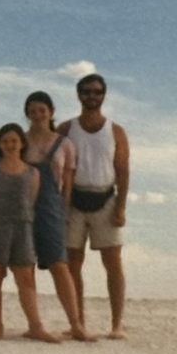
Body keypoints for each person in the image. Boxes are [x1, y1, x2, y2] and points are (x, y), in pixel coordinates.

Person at [57, 74, 130, 339]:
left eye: (97, 92)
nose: (92, 96)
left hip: (105, 200)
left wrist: (120, 206)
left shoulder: (115, 131)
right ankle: (78, 322)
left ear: (104, 95)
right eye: (86, 91)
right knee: (72, 262)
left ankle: (117, 323)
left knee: (113, 262)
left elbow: (122, 170)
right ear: (79, 95)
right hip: (74, 201)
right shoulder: (66, 129)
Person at [23, 91, 97, 342]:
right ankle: (35, 325)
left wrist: (64, 213)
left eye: (42, 110)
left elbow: (67, 184)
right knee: (25, 267)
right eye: (32, 111)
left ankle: (76, 324)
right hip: (22, 208)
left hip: (51, 207)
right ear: (27, 114)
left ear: (51, 112)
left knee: (59, 265)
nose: (37, 115)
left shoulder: (65, 144)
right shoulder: (19, 141)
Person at [0, 123, 60, 344]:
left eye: (14, 141)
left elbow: (31, 201)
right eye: (5, 141)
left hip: (23, 228)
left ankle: (36, 327)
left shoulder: (32, 172)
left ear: (22, 143)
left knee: (25, 278)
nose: (10, 145)